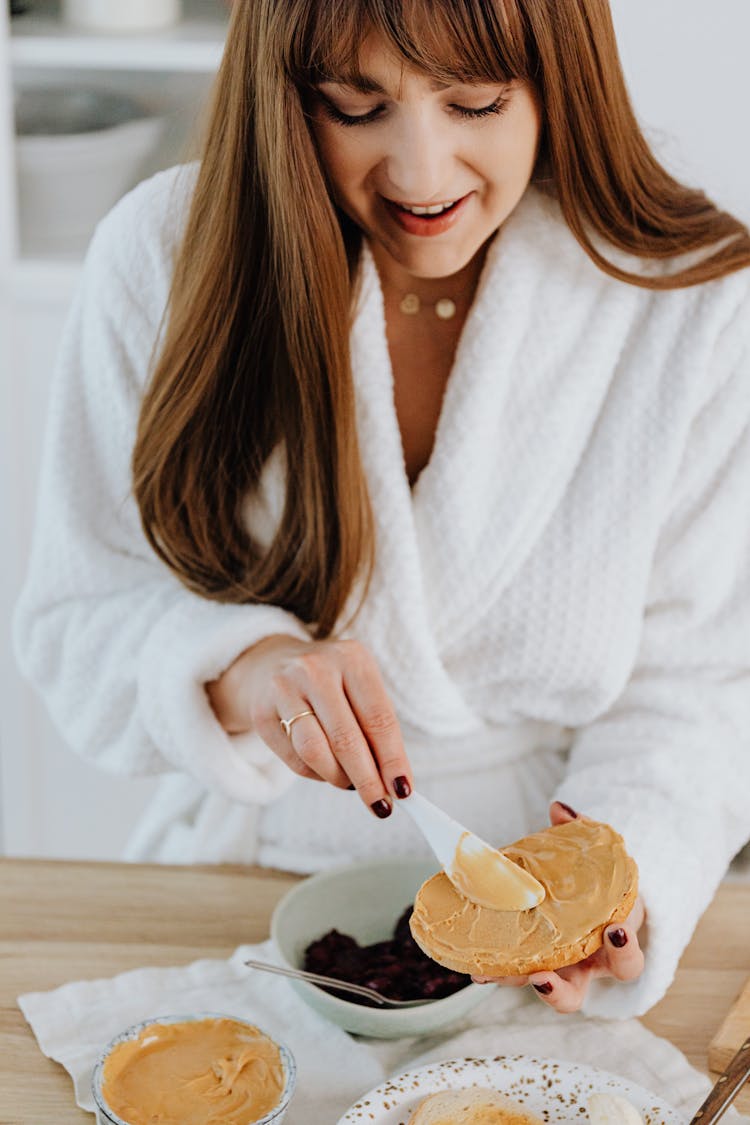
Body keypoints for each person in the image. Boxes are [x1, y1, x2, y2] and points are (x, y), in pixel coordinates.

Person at [12, 0, 750, 1022]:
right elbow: (77, 618)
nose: (420, 172)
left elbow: (702, 683)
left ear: (561, 77)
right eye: (357, 107)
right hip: (252, 886)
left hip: (550, 932)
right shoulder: (163, 258)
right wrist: (242, 672)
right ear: (288, 95)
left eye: (477, 103)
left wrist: (614, 881)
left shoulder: (685, 300)